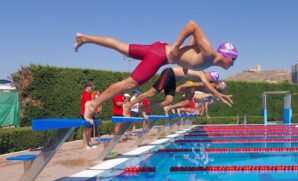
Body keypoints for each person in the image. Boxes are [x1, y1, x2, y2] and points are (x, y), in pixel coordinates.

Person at [74, 20, 238, 124]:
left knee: (121, 46)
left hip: (159, 48)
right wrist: (177, 45)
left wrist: (186, 61)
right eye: (234, 60)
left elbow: (194, 40)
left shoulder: (207, 58)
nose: (233, 64)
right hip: (160, 56)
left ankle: (85, 38)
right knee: (130, 83)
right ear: (227, 56)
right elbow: (192, 25)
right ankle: (93, 104)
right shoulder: (209, 53)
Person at [124, 67, 232, 117]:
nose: (211, 82)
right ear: (210, 75)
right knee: (152, 92)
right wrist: (183, 88)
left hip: (175, 80)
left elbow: (211, 89)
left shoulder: (209, 81)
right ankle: (129, 104)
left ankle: (142, 108)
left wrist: (221, 96)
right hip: (169, 73)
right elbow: (194, 84)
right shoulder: (202, 74)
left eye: (213, 81)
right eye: (211, 80)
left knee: (168, 101)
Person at [80, 81, 96, 149]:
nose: (92, 89)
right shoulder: (85, 94)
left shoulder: (88, 94)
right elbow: (89, 104)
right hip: (85, 114)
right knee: (86, 129)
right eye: (91, 87)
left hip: (89, 114)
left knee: (89, 129)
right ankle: (84, 145)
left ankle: (89, 143)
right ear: (88, 87)